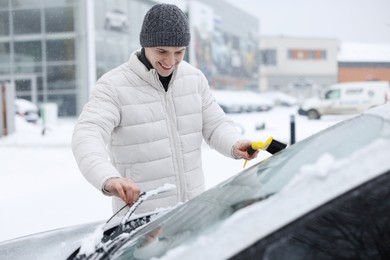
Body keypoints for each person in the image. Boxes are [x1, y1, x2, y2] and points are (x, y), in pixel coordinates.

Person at [71, 3, 258, 215]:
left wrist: (235, 143)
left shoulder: (194, 79)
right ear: (145, 44)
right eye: (162, 51)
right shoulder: (114, 85)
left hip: (192, 213)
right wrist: (108, 178)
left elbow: (215, 125)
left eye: (179, 52)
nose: (170, 61)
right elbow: (87, 135)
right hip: (141, 220)